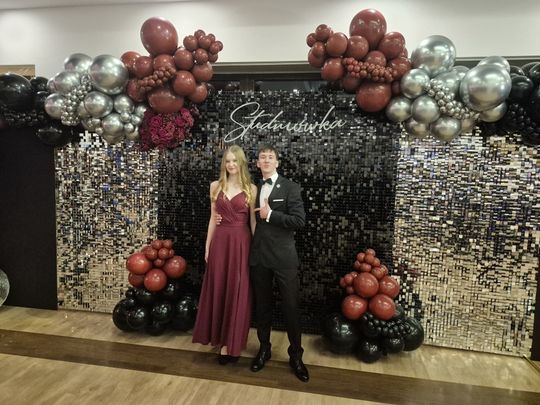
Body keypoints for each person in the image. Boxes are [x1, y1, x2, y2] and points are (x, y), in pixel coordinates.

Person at [192, 145, 257, 365]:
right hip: (220, 243)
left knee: (237, 291)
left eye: (234, 161)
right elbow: (213, 218)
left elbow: (253, 222)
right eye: (227, 161)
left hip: (241, 243)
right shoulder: (215, 186)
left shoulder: (251, 188)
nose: (231, 164)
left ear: (241, 163)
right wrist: (207, 247)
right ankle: (221, 341)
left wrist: (257, 250)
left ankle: (232, 343)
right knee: (219, 288)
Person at [249, 144, 309, 382]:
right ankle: (264, 349)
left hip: (284, 258)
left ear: (277, 162)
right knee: (262, 307)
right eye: (262, 157)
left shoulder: (291, 187)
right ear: (257, 163)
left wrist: (271, 215)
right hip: (259, 256)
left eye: (270, 157)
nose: (266, 160)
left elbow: (299, 221)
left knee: (291, 307)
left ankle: (296, 356)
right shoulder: (253, 188)